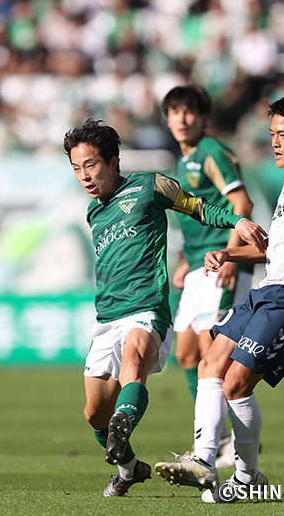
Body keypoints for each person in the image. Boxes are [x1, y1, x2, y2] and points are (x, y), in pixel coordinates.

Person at [154, 93, 284, 503]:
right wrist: (229, 254)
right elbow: (274, 252)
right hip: (265, 291)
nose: (275, 142)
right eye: (272, 133)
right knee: (210, 362)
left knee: (236, 382)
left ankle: (245, 477)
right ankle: (205, 459)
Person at [63, 118, 268, 497]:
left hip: (146, 309)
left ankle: (128, 419)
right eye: (76, 168)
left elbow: (199, 208)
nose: (84, 176)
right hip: (107, 316)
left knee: (133, 365)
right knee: (94, 413)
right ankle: (129, 469)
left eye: (90, 165)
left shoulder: (150, 185)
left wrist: (237, 221)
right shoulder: (94, 212)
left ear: (113, 162)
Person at [162, 84, 256, 467]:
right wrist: (187, 259)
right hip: (199, 263)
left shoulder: (212, 152)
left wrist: (232, 255)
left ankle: (230, 443)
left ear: (203, 118)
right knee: (185, 353)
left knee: (210, 352)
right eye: (175, 112)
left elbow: (241, 202)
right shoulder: (181, 161)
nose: (182, 119)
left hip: (222, 262)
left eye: (189, 112)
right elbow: (198, 215)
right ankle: (218, 438)